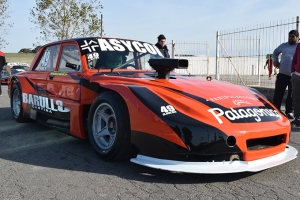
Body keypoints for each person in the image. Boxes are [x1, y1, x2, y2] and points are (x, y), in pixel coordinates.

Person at [272, 30, 299, 120]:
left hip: (294, 75)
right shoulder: (283, 45)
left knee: (291, 95)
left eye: (292, 37)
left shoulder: (298, 47)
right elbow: (275, 52)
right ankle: (276, 110)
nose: (290, 38)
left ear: (297, 37)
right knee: (278, 93)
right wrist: (275, 61)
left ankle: (289, 112)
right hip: (282, 74)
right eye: (289, 36)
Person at [291, 40, 300, 126]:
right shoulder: (299, 45)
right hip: (297, 75)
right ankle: (298, 118)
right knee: (296, 98)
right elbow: (294, 59)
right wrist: (292, 72)